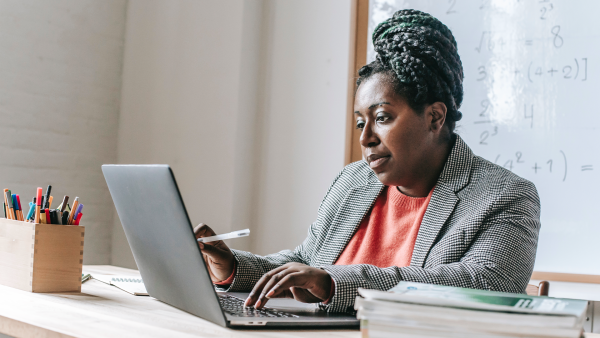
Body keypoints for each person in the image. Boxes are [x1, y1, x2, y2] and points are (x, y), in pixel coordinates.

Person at [194, 9, 540, 313]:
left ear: (435, 118)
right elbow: (304, 263)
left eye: (384, 118)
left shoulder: (505, 196)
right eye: (361, 122)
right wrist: (233, 267)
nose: (365, 138)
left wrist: (333, 282)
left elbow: (484, 285)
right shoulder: (354, 181)